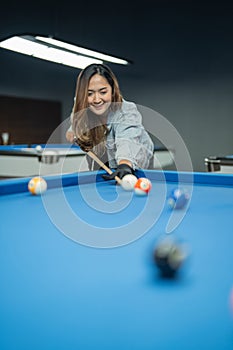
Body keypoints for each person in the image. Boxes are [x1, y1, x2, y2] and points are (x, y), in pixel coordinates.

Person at [66, 63, 154, 179]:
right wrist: (73, 131)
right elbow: (76, 122)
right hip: (103, 161)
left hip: (133, 165)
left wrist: (125, 164)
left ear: (112, 90)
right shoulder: (82, 106)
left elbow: (127, 139)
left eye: (103, 92)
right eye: (90, 94)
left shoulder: (126, 111)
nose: (97, 99)